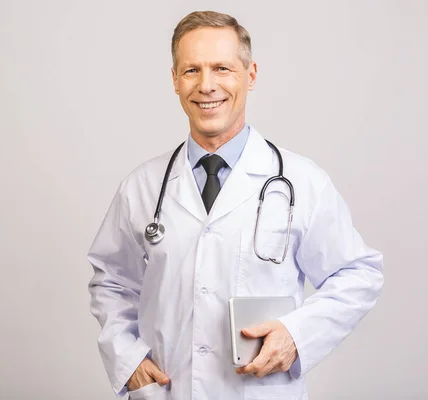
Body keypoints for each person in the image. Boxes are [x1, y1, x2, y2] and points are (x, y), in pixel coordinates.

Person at [87, 10, 383, 400]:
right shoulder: (141, 187)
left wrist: (297, 336)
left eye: (222, 68)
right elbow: (110, 280)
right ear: (175, 80)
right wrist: (129, 363)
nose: (206, 85)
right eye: (191, 70)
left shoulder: (302, 181)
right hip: (168, 391)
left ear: (251, 74)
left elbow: (358, 274)